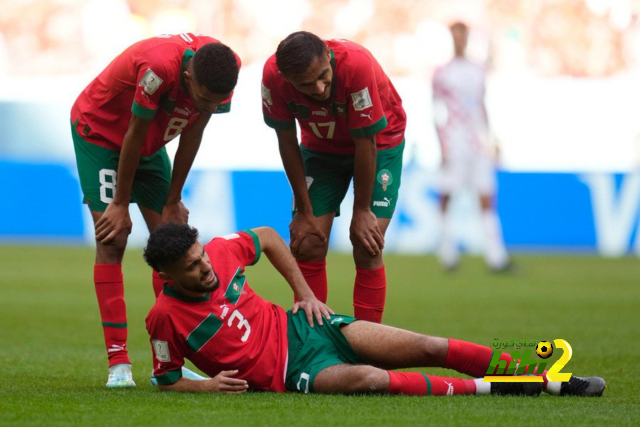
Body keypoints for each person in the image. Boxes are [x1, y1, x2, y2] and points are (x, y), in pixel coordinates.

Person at [143, 223, 605, 397]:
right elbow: (166, 378)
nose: (206, 268)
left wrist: (303, 292)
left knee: (427, 345)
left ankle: (546, 378)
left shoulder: (222, 252)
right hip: (289, 373)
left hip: (307, 327)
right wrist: (205, 388)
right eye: (192, 267)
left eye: (202, 257)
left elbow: (264, 236)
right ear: (167, 275)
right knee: (370, 379)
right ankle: (494, 389)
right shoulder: (163, 318)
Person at [70, 33, 241, 387]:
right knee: (113, 239)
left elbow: (194, 131)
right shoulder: (160, 66)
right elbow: (134, 130)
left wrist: (173, 198)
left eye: (216, 102)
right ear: (189, 76)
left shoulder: (223, 70)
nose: (209, 105)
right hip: (101, 135)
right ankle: (118, 363)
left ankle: (167, 363)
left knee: (171, 243)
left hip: (149, 143)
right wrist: (119, 203)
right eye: (203, 98)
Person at [261, 31, 407, 323]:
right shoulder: (272, 77)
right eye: (306, 84)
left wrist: (362, 210)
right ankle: (314, 345)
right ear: (287, 79)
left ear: (328, 56)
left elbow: (366, 142)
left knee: (367, 243)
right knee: (307, 242)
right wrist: (303, 210)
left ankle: (369, 346)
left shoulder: (356, 65)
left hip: (379, 144)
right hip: (320, 149)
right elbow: (287, 141)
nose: (319, 87)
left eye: (323, 75)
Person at [432, 22, 510, 271]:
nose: (459, 40)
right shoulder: (442, 73)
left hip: (477, 144)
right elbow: (436, 110)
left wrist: (491, 137)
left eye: (463, 36)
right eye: (455, 36)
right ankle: (447, 254)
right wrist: (441, 143)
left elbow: (482, 105)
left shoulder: (478, 70)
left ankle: (496, 257)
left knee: (486, 196)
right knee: (447, 195)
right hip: (454, 142)